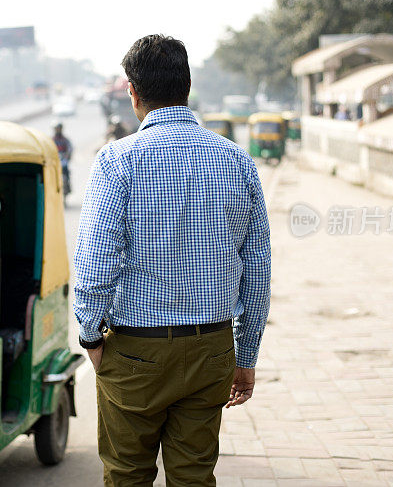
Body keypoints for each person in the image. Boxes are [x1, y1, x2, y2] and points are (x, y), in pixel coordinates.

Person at [73, 34, 271, 486]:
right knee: (195, 477)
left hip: (136, 352)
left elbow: (96, 265)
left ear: (133, 92)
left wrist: (91, 339)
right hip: (213, 349)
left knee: (127, 475)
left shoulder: (116, 161)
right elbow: (258, 266)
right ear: (186, 88)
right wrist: (248, 353)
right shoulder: (237, 161)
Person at [52, 121, 73, 195]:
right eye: (56, 129)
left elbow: (69, 149)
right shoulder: (52, 140)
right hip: (55, 161)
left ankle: (68, 187)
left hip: (63, 160)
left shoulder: (65, 140)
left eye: (59, 128)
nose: (58, 130)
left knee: (66, 172)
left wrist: (67, 155)